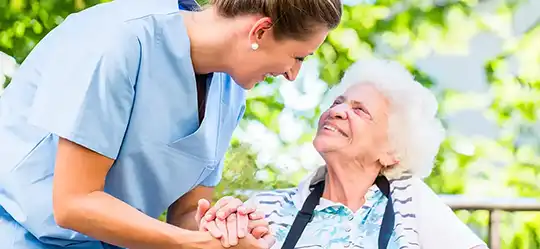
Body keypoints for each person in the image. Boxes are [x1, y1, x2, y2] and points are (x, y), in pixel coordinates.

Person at [0, 0, 342, 248]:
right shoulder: (120, 39)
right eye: (298, 56)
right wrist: (189, 244)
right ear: (261, 30)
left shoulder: (230, 92)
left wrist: (223, 232)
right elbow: (74, 203)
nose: (292, 74)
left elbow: (186, 212)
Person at [238, 59, 490, 249]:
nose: (337, 111)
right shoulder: (268, 208)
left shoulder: (409, 200)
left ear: (392, 151)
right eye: (338, 102)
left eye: (360, 111)